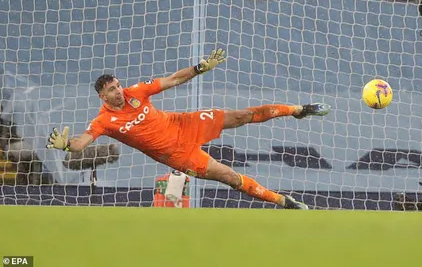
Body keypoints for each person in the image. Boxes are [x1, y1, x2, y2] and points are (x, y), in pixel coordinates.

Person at [46, 48, 330, 209]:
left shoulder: (137, 92)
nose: (119, 91)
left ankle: (298, 110)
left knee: (242, 115)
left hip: (184, 123)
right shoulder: (103, 121)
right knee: (230, 177)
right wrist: (65, 145)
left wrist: (198, 68)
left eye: (118, 85)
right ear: (102, 96)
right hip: (176, 155)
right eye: (112, 89)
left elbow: (171, 80)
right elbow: (82, 142)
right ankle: (284, 202)